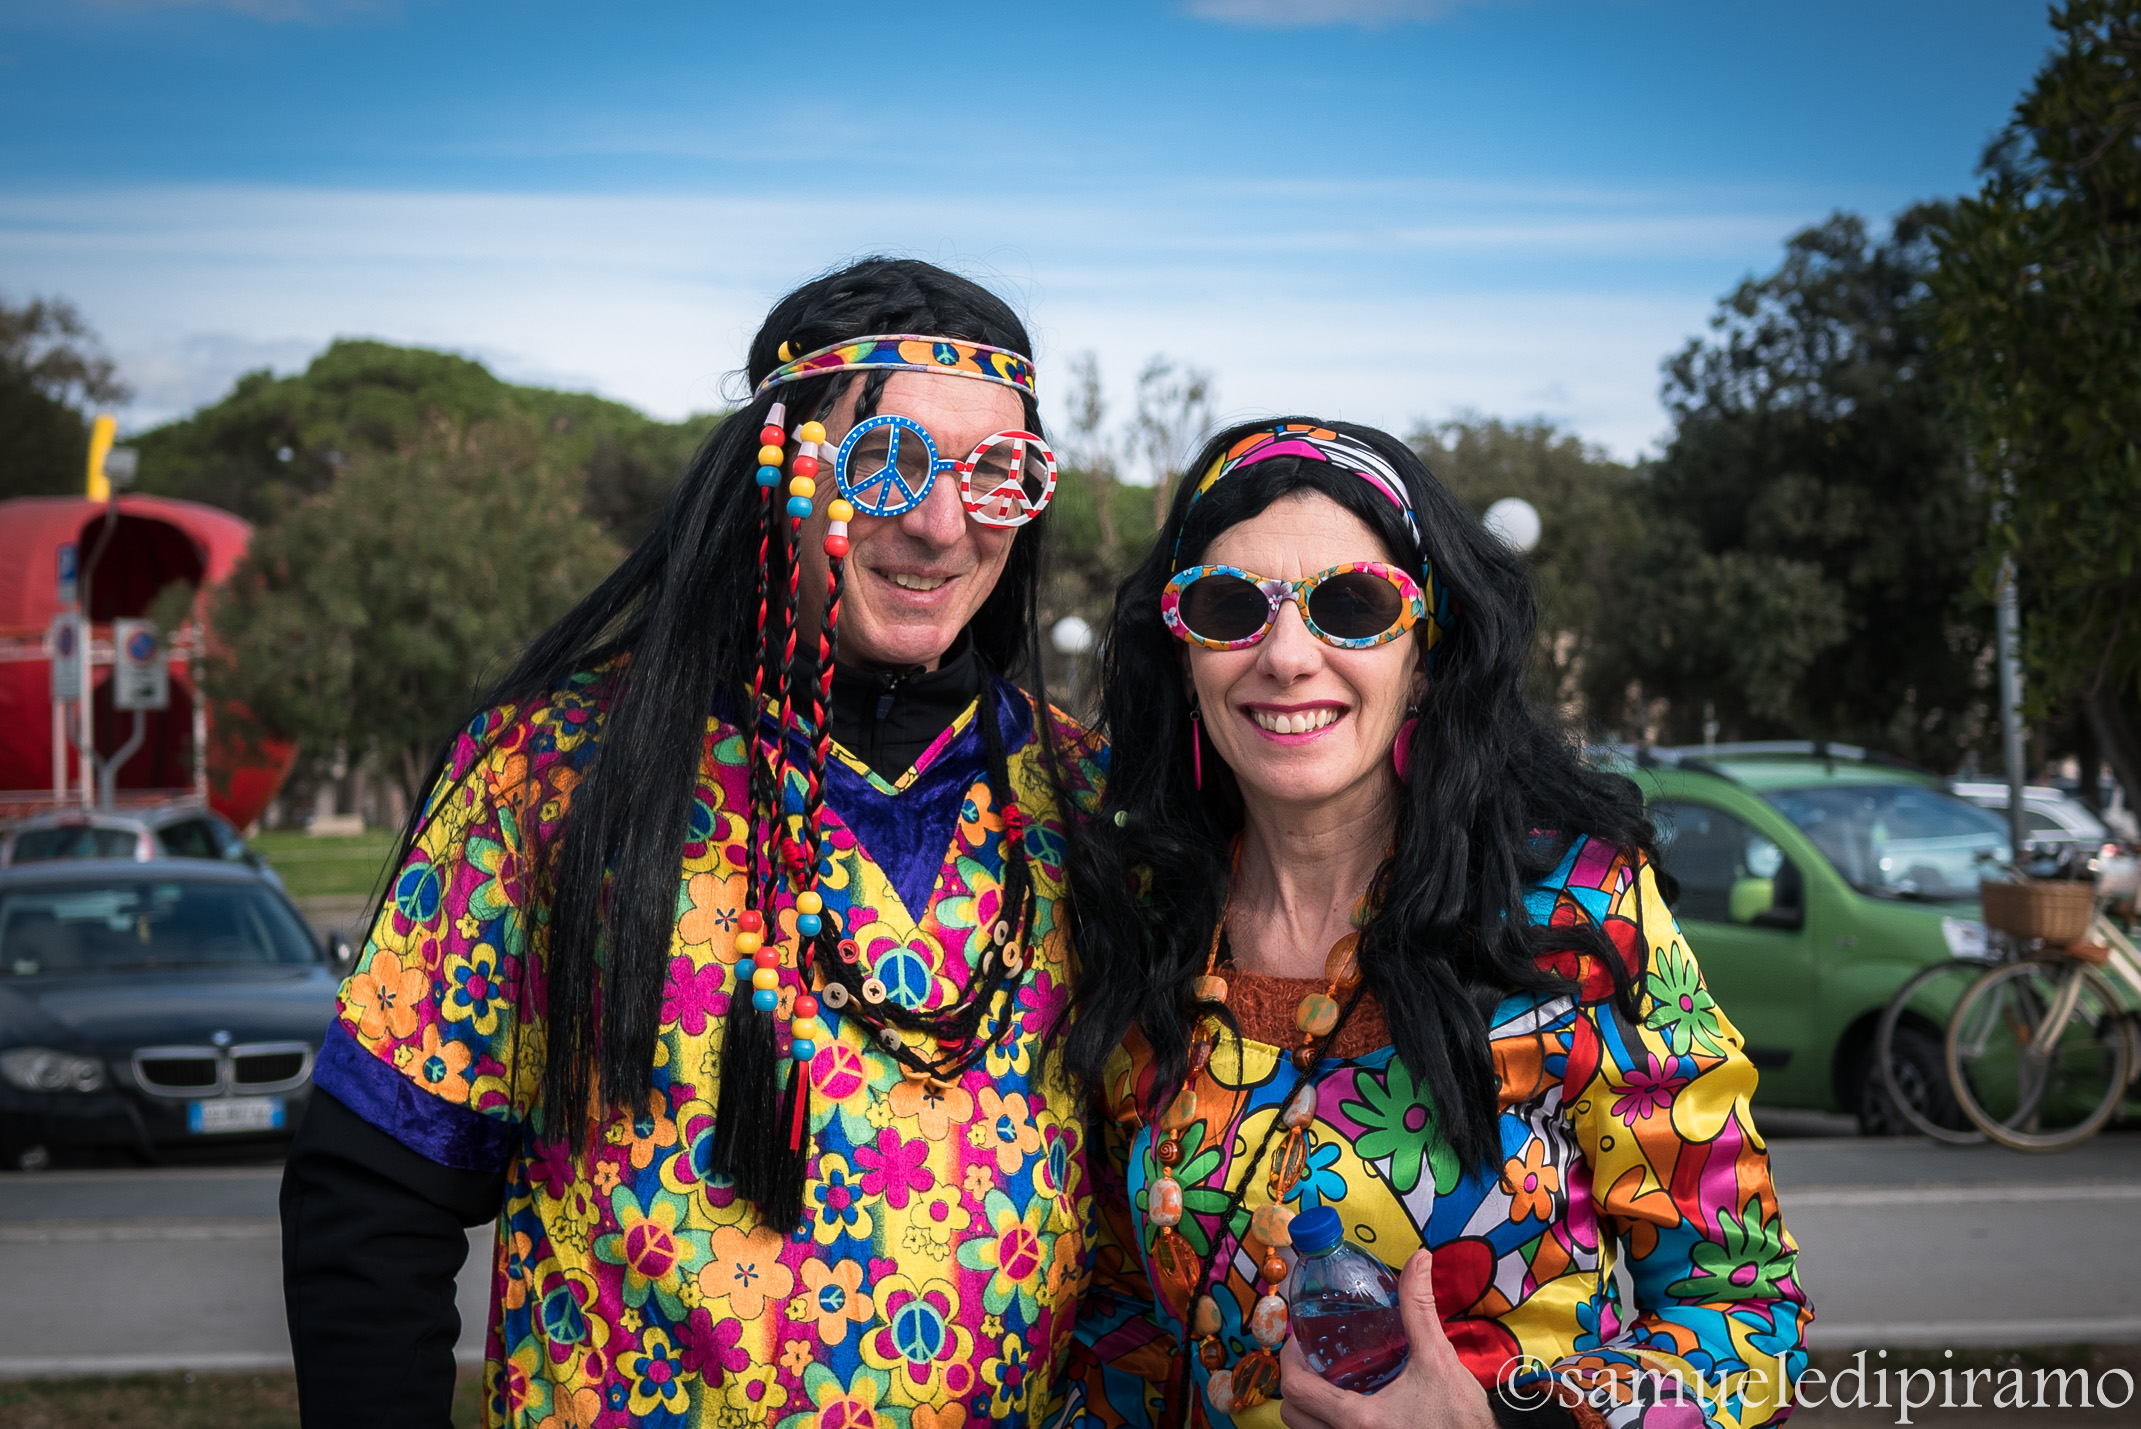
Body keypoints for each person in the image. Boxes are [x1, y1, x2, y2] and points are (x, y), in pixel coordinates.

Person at [280, 258, 1105, 1428]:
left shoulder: (1081, 795)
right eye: (884, 463)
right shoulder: (550, 778)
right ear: (770, 471)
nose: (936, 524)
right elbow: (370, 1199)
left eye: (993, 475)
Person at [1060, 421, 1811, 1428]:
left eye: (1351, 606)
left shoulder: (1573, 909)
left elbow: (1744, 1311)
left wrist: (1512, 1421)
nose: (1286, 655)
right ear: (1183, 653)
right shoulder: (1146, 921)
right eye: (1229, 608)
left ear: (1424, 654)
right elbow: (1120, 1317)